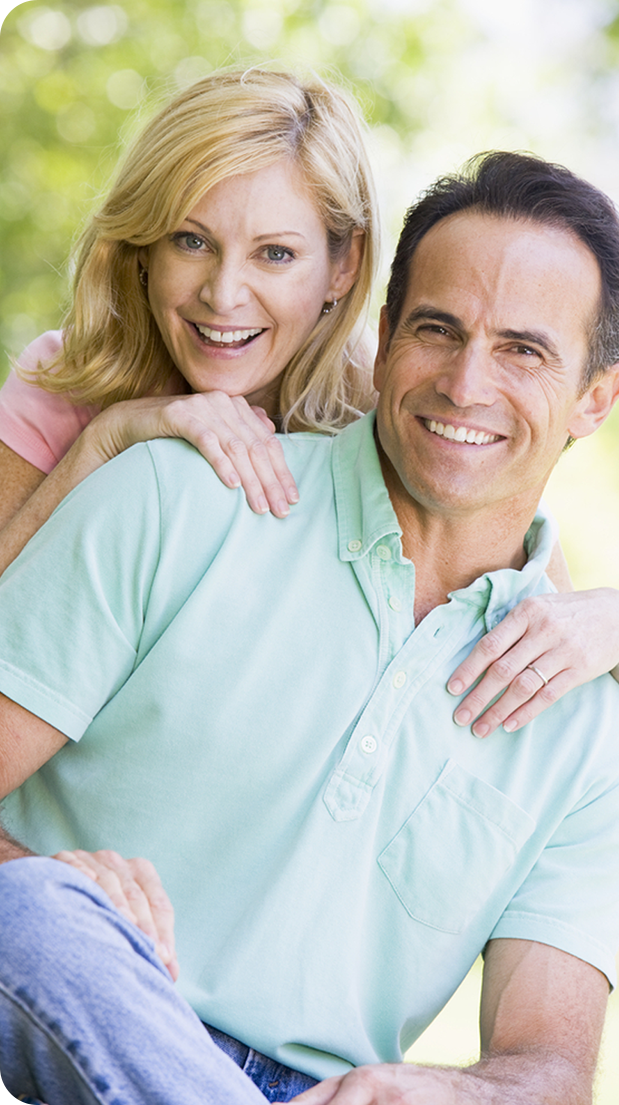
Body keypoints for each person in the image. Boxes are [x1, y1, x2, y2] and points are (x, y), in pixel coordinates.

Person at [1, 150, 619, 1105]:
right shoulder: (178, 498)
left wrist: (457, 1093)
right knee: (35, 916)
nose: (464, 382)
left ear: (595, 396)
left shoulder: (584, 723)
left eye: (522, 350)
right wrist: (54, 893)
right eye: (436, 329)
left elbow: (547, 1068)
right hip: (59, 1018)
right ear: (383, 338)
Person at [2, 72, 619, 739]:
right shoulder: (70, 380)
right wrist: (109, 440)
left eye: (274, 253)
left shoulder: (399, 407)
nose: (224, 294)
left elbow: (527, 575)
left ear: (343, 265)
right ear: (144, 247)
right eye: (191, 240)